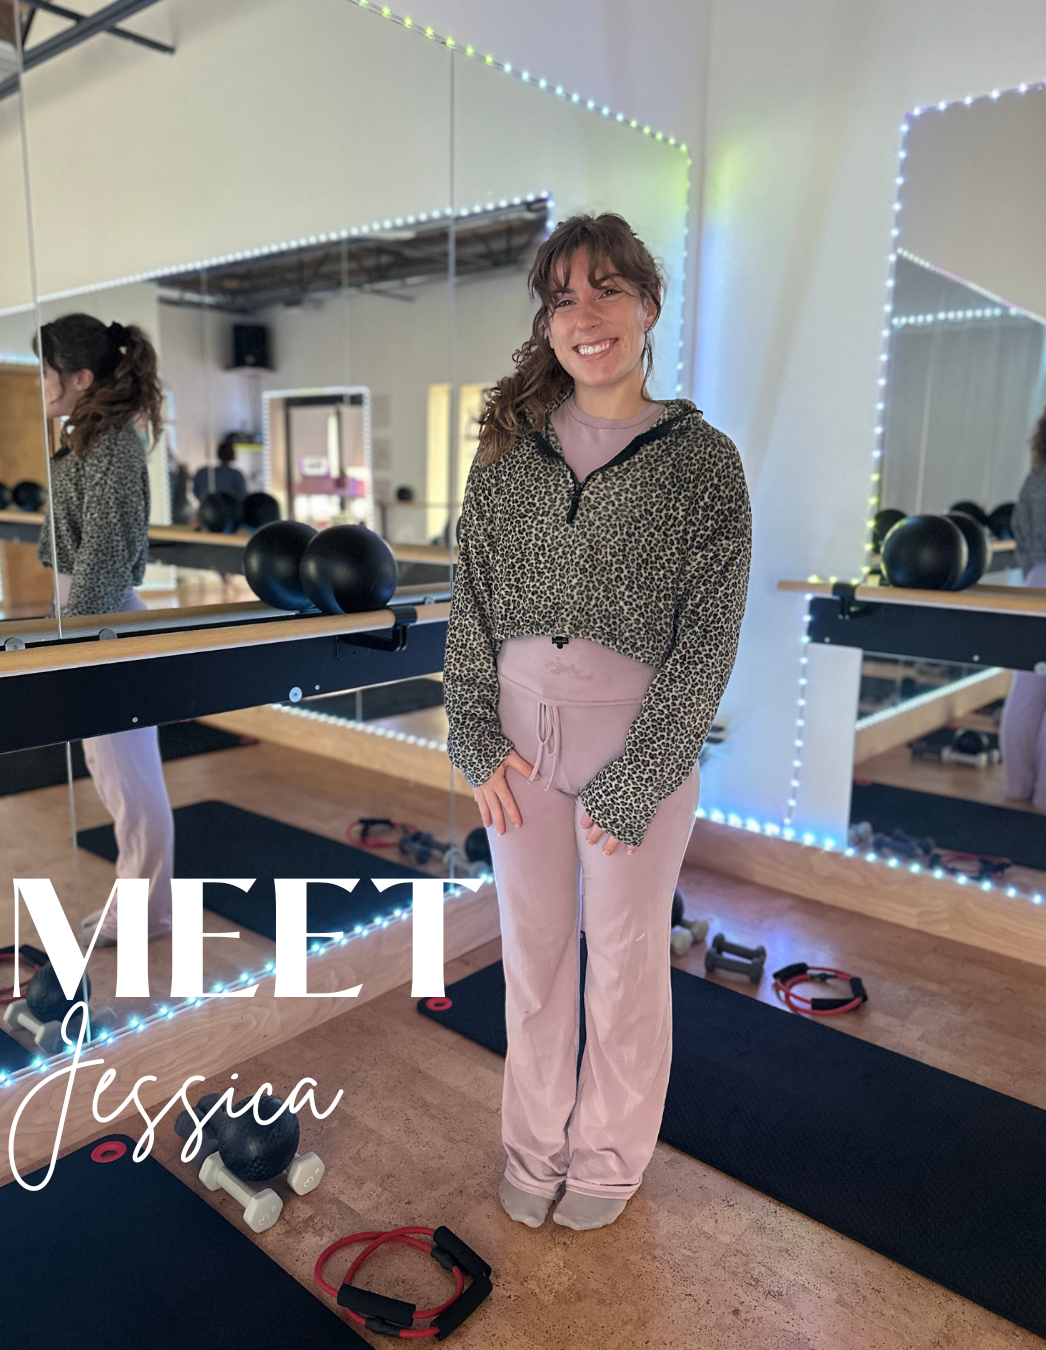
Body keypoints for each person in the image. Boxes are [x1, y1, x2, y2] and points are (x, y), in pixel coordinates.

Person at [442, 214, 752, 1233]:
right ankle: (534, 1147)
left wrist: (644, 772)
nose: (586, 315)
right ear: (547, 321)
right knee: (534, 958)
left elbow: (710, 635)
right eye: (564, 297)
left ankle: (609, 1159)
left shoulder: (702, 460)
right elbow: (470, 599)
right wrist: (473, 736)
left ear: (648, 306)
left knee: (623, 964)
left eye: (607, 289)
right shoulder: (508, 452)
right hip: (519, 743)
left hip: (636, 743)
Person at [36, 313, 175, 945]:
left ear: (81, 378)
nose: (39, 384)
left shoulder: (113, 445)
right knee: (115, 778)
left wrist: (76, 641)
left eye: (45, 371)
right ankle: (141, 902)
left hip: (105, 621)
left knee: (131, 781)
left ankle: (148, 912)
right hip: (88, 617)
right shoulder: (88, 439)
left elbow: (104, 555)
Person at [1000, 408, 1046, 808]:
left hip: (1037, 581)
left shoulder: (1036, 477)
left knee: (1027, 690)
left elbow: (1019, 531)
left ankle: (1018, 787)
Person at [193, 436, 248, 504]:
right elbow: (242, 495)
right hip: (229, 508)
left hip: (207, 508)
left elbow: (196, 492)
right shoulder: (236, 474)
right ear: (233, 454)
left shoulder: (202, 472)